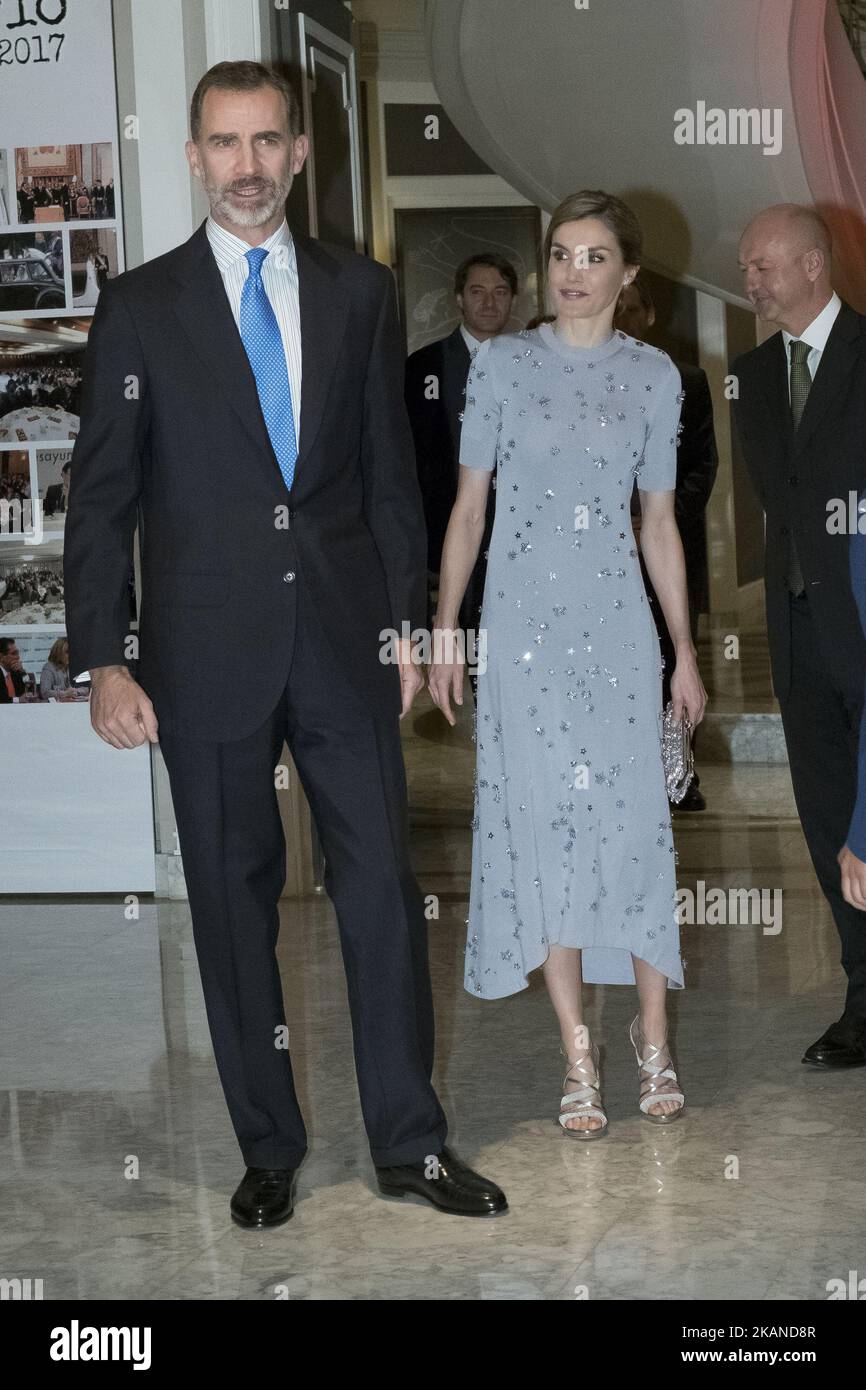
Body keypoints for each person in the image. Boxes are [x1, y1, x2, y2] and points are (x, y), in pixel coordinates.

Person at [63, 60, 506, 1226]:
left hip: (346, 637)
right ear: (196, 154)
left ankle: (409, 1141)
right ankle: (268, 1145)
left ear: (299, 154)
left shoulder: (359, 293)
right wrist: (105, 656)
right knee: (227, 897)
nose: (247, 166)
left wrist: (411, 618)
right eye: (225, 143)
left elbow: (384, 477)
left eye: (267, 142)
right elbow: (100, 499)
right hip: (201, 654)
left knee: (379, 892)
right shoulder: (140, 307)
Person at [428, 189, 706, 1137]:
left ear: (628, 273)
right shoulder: (502, 367)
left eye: (593, 257)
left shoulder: (656, 377)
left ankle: (652, 1040)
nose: (572, 272)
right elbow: (468, 510)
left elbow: (661, 525)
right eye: (559, 253)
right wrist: (444, 630)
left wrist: (684, 653)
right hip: (524, 638)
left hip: (621, 637)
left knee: (631, 836)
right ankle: (577, 1053)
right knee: (543, 836)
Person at [733, 203, 866, 1069]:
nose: (751, 281)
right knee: (827, 817)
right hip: (799, 631)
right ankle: (864, 991)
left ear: (814, 265)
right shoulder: (747, 375)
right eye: (747, 267)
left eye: (764, 266)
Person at [615, 274, 718, 811]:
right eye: (617, 308)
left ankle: (678, 777)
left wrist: (654, 519)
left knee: (672, 657)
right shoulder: (593, 378)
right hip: (604, 552)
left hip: (669, 546)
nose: (624, 318)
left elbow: (703, 467)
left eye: (633, 309)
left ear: (650, 315)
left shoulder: (689, 380)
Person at [405, 255, 517, 695]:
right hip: (447, 541)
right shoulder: (422, 369)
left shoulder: (530, 365)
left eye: (500, 292)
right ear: (458, 299)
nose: (489, 302)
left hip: (516, 540)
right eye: (477, 291)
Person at [0, 636, 26, 702]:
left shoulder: (15, 671)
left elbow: (26, 690)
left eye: (18, 653)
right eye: (14, 653)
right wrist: (19, 700)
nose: (18, 657)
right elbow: (2, 699)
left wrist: (22, 672)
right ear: (2, 657)